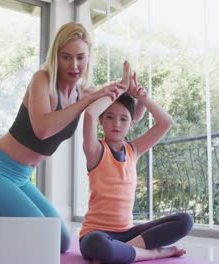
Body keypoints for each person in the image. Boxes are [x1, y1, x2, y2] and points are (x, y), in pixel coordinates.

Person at [0, 22, 129, 252]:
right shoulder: (42, 80)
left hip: (22, 178)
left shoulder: (82, 92)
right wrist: (85, 101)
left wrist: (126, 87)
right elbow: (42, 129)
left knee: (62, 241)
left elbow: (114, 102)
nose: (74, 65)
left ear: (88, 58)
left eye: (80, 57)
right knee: (41, 237)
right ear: (56, 56)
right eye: (66, 57)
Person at [79, 72, 194, 263]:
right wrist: (120, 89)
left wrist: (143, 98)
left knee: (185, 221)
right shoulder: (95, 150)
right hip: (96, 234)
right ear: (102, 120)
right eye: (109, 117)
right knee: (99, 244)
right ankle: (155, 253)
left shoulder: (133, 150)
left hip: (128, 233)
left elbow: (166, 122)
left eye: (123, 119)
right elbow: (90, 114)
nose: (116, 123)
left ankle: (122, 251)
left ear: (131, 124)